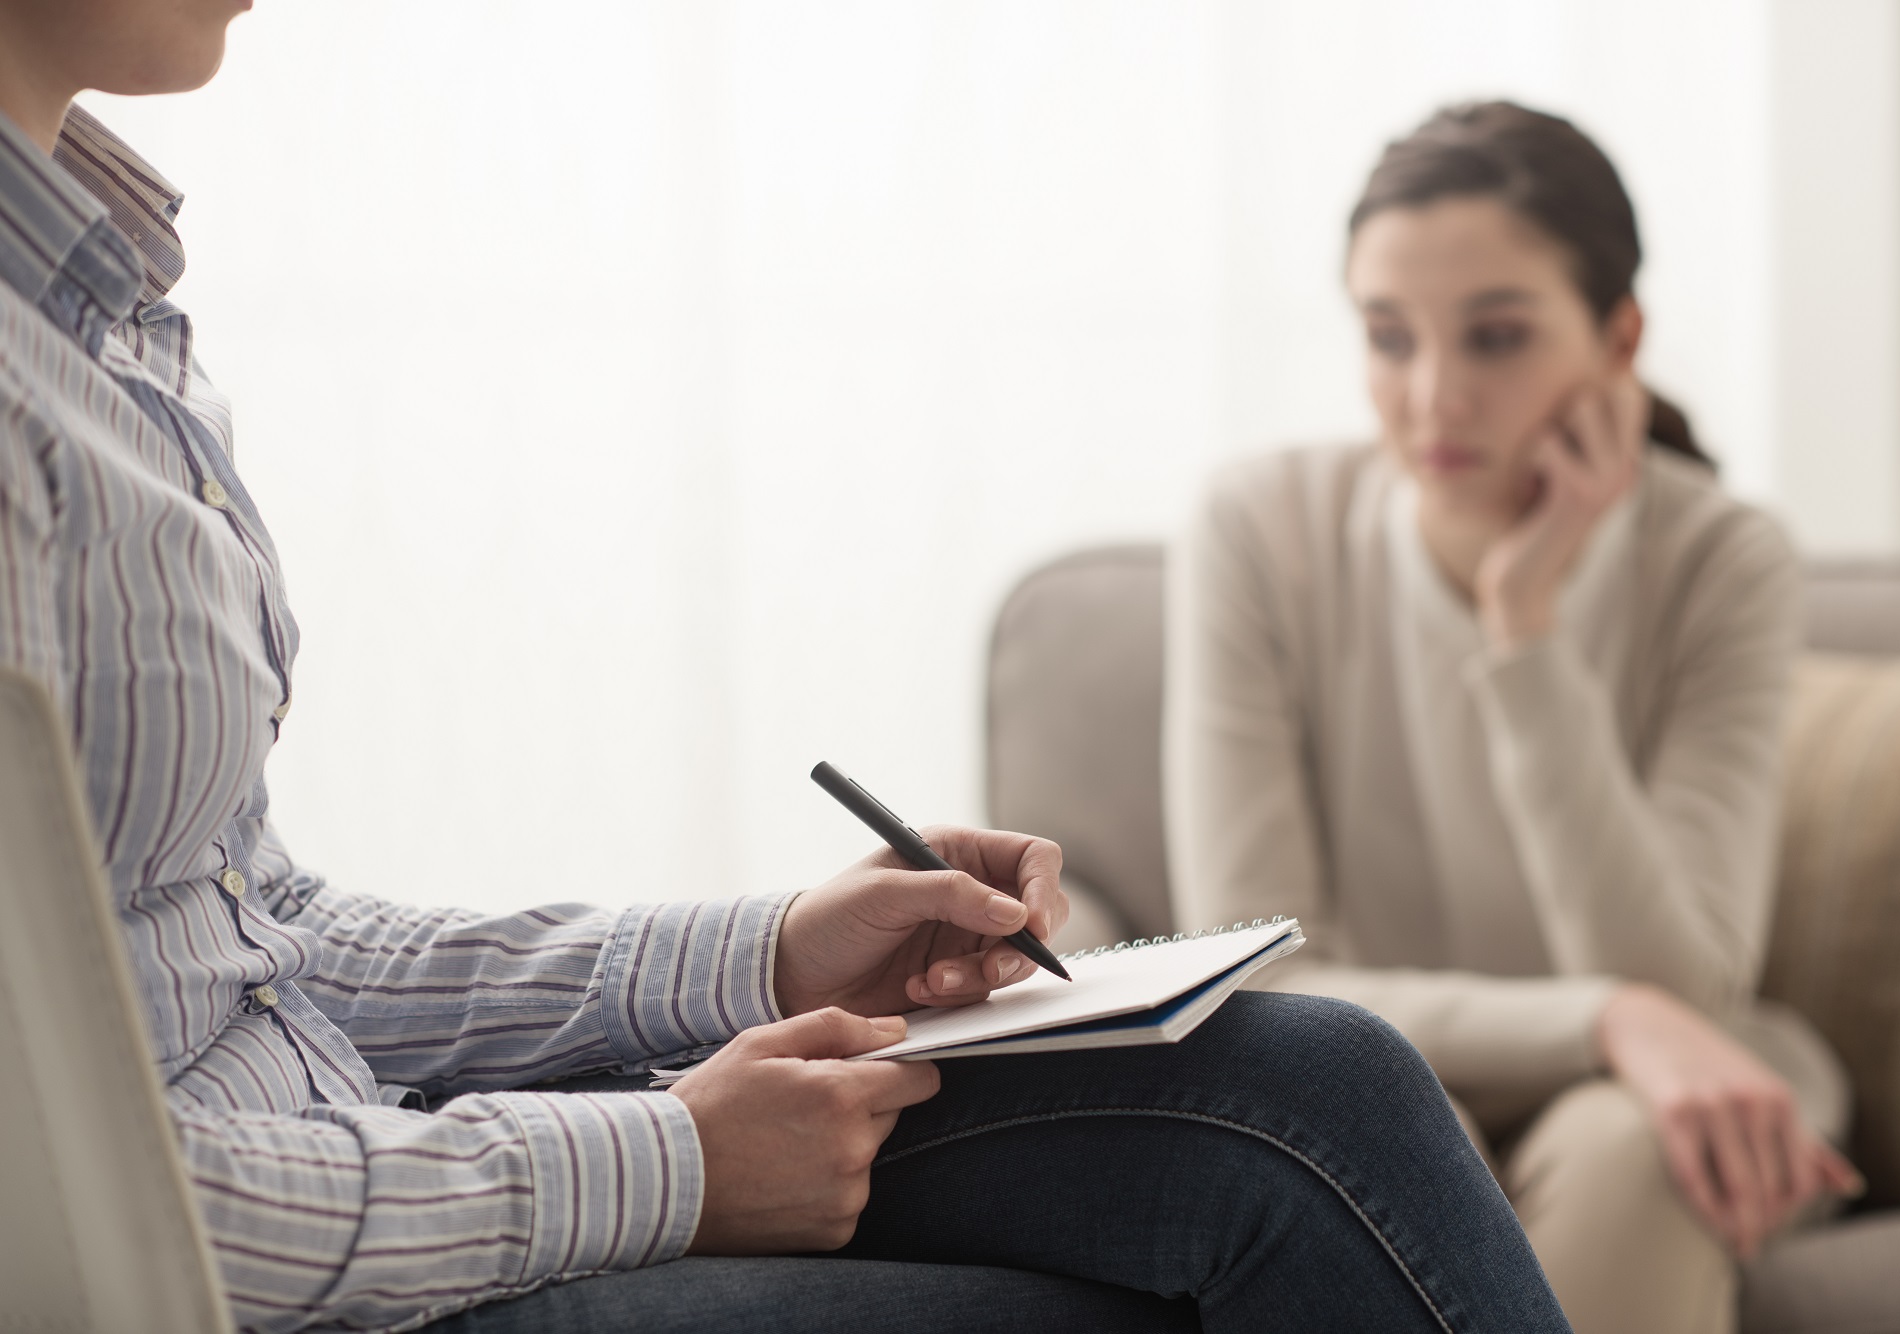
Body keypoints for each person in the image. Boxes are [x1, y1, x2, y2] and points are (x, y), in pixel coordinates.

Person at [0, 6, 1577, 1332]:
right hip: (258, 1262)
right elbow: (52, 1199)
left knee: (1308, 1086)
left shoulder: (103, 322)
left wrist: (767, 955)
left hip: (346, 1140)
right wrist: (667, 1160)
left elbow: (250, 931)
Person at [1165, 101, 1863, 1334]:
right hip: (1371, 1083)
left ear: (1618, 338)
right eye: (1388, 337)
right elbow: (1262, 981)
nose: (1432, 397)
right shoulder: (1256, 528)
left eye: (1493, 337)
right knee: (1355, 1151)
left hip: (1667, 1086)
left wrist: (1521, 628)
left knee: (1646, 1152)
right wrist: (1603, 1016)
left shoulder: (1719, 559)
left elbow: (1679, 982)